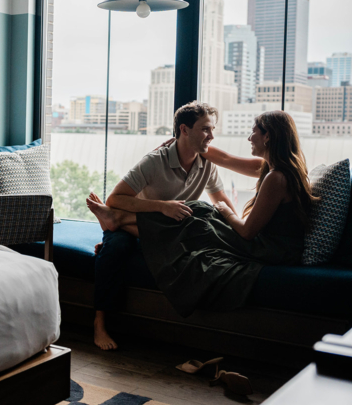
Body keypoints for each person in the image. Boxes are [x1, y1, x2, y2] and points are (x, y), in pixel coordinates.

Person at [134, 110, 318, 321]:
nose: (249, 138)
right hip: (277, 246)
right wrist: (183, 144)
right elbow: (224, 158)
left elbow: (248, 232)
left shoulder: (276, 177)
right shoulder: (278, 168)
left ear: (268, 137)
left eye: (253, 132)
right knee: (200, 211)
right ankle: (122, 223)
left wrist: (228, 213)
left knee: (198, 218)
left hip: (272, 250)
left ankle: (121, 223)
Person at [85, 101, 237, 350]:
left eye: (212, 129)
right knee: (114, 251)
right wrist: (161, 206)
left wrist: (239, 227)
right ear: (185, 130)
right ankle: (99, 325)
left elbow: (222, 201)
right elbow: (115, 199)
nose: (212, 135)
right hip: (128, 224)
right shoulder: (155, 161)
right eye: (206, 129)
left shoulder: (207, 164)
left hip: (163, 228)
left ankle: (117, 223)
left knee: (197, 221)